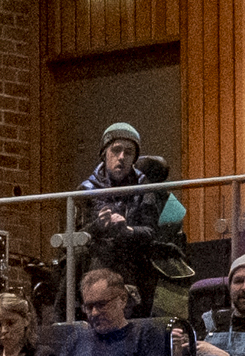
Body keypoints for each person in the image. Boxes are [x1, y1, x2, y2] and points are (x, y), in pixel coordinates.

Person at [70, 125, 187, 311]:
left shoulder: (145, 187)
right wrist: (98, 225)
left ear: (134, 158)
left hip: (133, 256)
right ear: (104, 153)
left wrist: (128, 230)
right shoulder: (86, 190)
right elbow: (75, 237)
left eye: (129, 152)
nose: (122, 157)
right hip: (96, 259)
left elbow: (150, 232)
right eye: (116, 150)